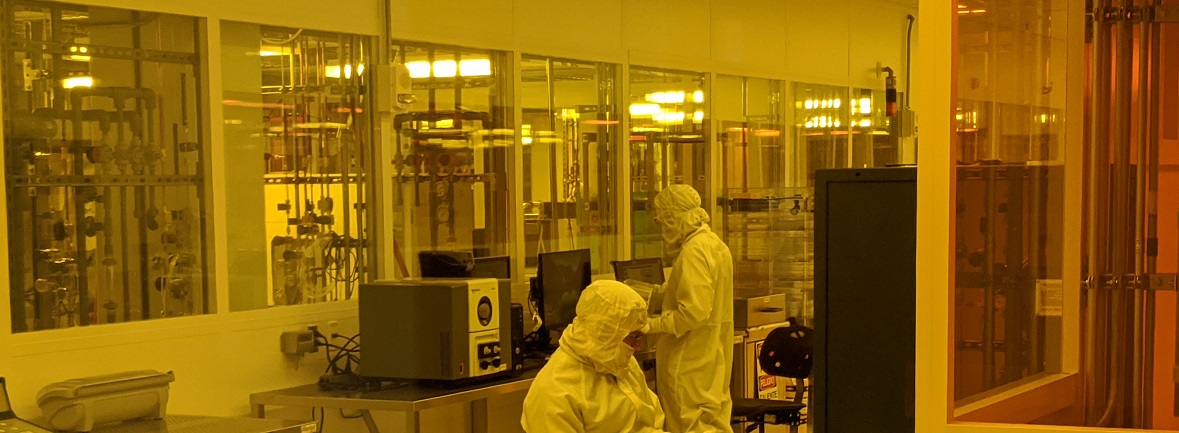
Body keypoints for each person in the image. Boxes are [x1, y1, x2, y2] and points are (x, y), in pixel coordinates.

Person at [521, 280, 668, 433]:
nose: (638, 347)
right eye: (634, 337)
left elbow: (650, 420)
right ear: (606, 334)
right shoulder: (554, 393)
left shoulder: (617, 359)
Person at [646, 184, 735, 433]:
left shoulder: (694, 252)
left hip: (688, 366)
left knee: (690, 425)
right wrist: (658, 294)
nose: (664, 230)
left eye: (665, 222)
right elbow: (703, 295)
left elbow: (692, 313)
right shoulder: (715, 245)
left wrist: (650, 324)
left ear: (674, 218)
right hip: (710, 361)